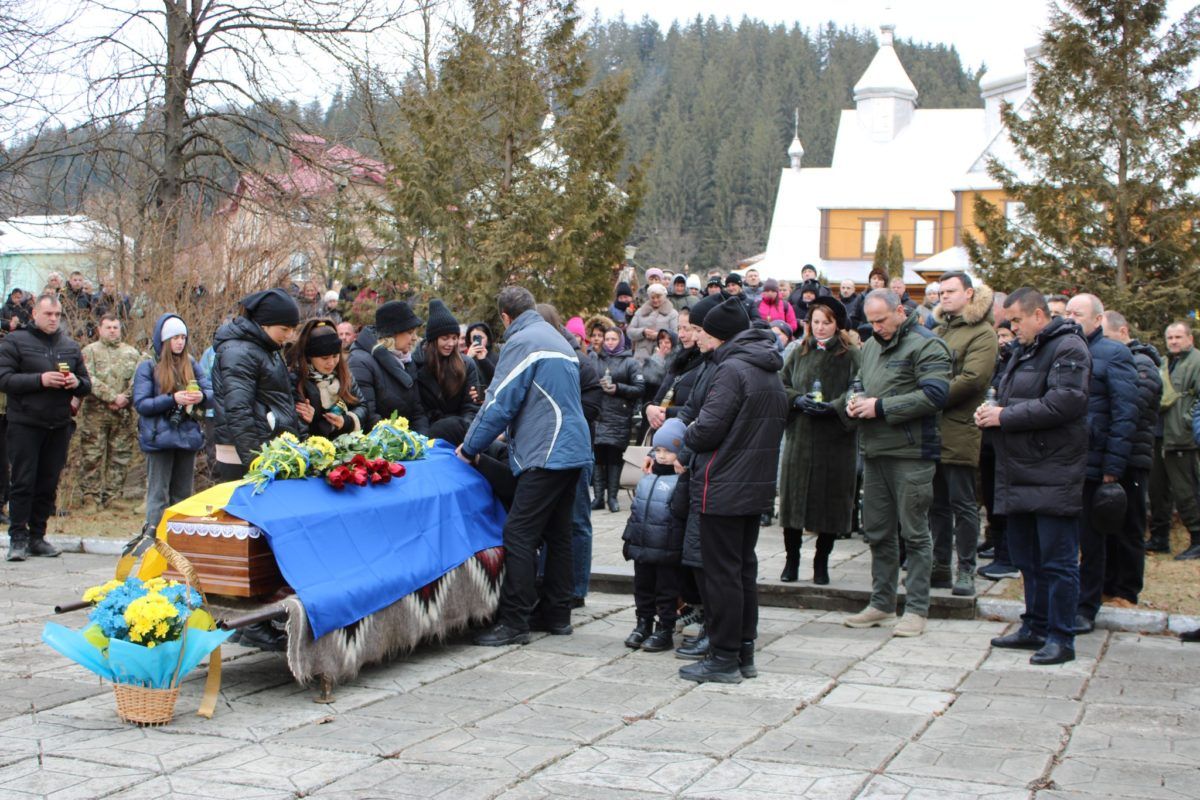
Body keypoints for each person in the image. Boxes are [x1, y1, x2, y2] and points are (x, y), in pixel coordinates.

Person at [458, 286, 592, 646]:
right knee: (558, 534)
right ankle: (557, 615)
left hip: (546, 451)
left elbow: (500, 402)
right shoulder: (557, 339)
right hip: (573, 448)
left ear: (505, 317)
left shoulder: (522, 342)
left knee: (519, 534)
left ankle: (514, 621)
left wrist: (471, 447)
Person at [977, 288, 1090, 665]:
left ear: (1038, 315)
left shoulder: (1068, 348)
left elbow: (1066, 402)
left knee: (1057, 561)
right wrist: (992, 411)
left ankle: (1062, 637)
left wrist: (1005, 416)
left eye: (1016, 320)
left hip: (1053, 471)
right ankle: (1035, 626)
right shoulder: (1024, 351)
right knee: (1027, 557)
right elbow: (1011, 397)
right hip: (1020, 470)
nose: (1012, 327)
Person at [678, 296, 787, 683]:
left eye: (705, 332)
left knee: (721, 573)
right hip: (752, 485)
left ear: (721, 335)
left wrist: (683, 434)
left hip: (723, 484)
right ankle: (743, 651)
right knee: (742, 571)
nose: (700, 338)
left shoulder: (732, 369)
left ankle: (723, 656)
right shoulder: (767, 366)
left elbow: (708, 428)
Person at [844, 289, 952, 638]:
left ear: (900, 311)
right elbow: (860, 381)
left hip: (911, 453)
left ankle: (917, 608)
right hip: (875, 452)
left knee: (915, 533)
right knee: (878, 531)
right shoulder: (872, 344)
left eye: (882, 320)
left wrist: (881, 407)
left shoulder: (928, 345)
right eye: (871, 321)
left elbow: (935, 395)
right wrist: (854, 399)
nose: (876, 327)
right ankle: (882, 603)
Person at [1063, 294, 1138, 633]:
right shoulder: (1064, 350)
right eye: (1066, 313)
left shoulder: (1114, 353)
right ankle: (1064, 600)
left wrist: (1113, 466)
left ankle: (1086, 606)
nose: (1069, 318)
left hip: (1096, 461)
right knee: (1064, 539)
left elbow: (1125, 413)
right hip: (1064, 460)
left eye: (1076, 313)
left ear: (1097, 319)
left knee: (1091, 541)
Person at [0, 294, 91, 561]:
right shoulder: (15, 341)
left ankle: (38, 536)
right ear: (35, 314)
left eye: (57, 315)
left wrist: (76, 382)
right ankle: (18, 537)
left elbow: (87, 384)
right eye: (48, 314)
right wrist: (40, 379)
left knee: (48, 483)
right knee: (23, 482)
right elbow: (4, 379)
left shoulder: (69, 346)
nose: (53, 319)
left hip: (59, 424)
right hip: (25, 424)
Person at [779, 296, 860, 585]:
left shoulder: (850, 354)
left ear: (837, 325)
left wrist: (836, 406)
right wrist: (797, 399)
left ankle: (821, 561)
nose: (821, 328)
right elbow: (782, 383)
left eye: (827, 322)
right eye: (816, 322)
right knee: (793, 500)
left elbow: (859, 387)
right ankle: (792, 559)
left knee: (830, 500)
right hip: (800, 435)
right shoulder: (799, 351)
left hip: (834, 440)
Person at [929, 273, 998, 598]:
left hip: (960, 428)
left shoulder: (982, 333)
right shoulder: (939, 330)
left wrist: (929, 394)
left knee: (963, 504)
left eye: (951, 291)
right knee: (936, 504)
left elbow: (973, 379)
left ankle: (966, 570)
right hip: (932, 429)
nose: (944, 296)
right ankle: (940, 566)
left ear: (969, 293)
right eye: (941, 292)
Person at [536, 303, 603, 609]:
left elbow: (591, 408)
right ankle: (548, 582)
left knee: (576, 520)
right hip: (543, 448)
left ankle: (576, 587)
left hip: (575, 448)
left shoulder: (582, 364)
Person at [1101, 310, 1162, 607]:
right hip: (1112, 455)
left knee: (1130, 528)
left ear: (1123, 332)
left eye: (1108, 338)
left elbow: (1130, 406)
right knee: (1108, 527)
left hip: (1133, 458)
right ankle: (1108, 585)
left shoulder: (1143, 363)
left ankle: (1127, 590)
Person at [211, 288, 301, 480]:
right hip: (244, 454)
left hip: (266, 447)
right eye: (284, 329)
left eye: (293, 329)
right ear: (263, 324)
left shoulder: (269, 348)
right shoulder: (239, 352)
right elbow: (238, 410)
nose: (290, 335)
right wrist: (256, 462)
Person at [134, 314, 212, 533]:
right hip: (159, 438)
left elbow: (211, 392)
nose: (180, 342)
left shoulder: (192, 364)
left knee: (183, 493)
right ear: (164, 340)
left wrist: (201, 397)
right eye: (175, 337)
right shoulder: (148, 367)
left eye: (183, 337)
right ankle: (154, 539)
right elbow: (141, 404)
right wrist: (172, 399)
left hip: (187, 436)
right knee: (158, 494)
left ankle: (180, 540)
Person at [622, 418, 688, 652]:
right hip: (643, 546)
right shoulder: (646, 478)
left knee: (666, 591)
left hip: (667, 549)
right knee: (643, 588)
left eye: (668, 451)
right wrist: (629, 539)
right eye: (658, 450)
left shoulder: (681, 480)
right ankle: (643, 623)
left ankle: (665, 628)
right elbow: (636, 511)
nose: (661, 456)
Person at [78, 315, 143, 509]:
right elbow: (88, 378)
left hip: (122, 414)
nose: (113, 330)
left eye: (116, 327)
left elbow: (138, 379)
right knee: (92, 455)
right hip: (96, 413)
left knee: (120, 455)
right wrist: (112, 397)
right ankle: (90, 496)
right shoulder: (89, 351)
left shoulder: (132, 353)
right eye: (108, 327)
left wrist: (125, 397)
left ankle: (113, 495)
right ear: (99, 329)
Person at [1149, 321, 1200, 559]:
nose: (1174, 342)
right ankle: (1159, 538)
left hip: (1183, 438)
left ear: (1190, 338)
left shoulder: (1196, 362)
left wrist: (1189, 422)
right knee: (1158, 490)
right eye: (1170, 338)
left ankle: (1197, 538)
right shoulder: (1165, 362)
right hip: (1160, 435)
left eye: (1179, 337)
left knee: (1186, 490)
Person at [348, 300, 430, 433]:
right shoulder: (361, 362)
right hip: (380, 445)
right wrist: (402, 442)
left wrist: (422, 442)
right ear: (392, 333)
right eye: (410, 332)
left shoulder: (406, 359)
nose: (415, 338)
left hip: (407, 440)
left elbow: (418, 412)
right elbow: (369, 417)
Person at [590, 326, 644, 512]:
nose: (609, 342)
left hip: (619, 415)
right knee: (598, 457)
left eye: (613, 339)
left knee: (614, 457)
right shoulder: (596, 359)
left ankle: (612, 497)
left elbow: (639, 388)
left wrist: (618, 388)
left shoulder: (630, 362)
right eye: (607, 339)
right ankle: (598, 497)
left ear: (620, 340)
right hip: (599, 415)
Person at [288, 319, 369, 439]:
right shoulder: (296, 380)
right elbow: (298, 430)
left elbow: (362, 406)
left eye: (335, 356)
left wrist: (346, 421)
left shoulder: (345, 374)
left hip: (346, 445)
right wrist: (312, 420)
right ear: (309, 357)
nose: (331, 363)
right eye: (324, 358)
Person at [414, 300, 479, 445]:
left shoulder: (466, 364)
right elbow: (417, 411)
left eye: (454, 338)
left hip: (460, 434)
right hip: (429, 435)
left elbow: (471, 407)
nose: (451, 343)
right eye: (445, 338)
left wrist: (463, 433)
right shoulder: (415, 365)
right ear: (433, 339)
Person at [626, 283, 679, 363]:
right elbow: (630, 331)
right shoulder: (640, 312)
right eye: (652, 297)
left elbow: (675, 335)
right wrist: (643, 332)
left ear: (664, 296)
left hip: (663, 357)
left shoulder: (672, 314)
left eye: (658, 297)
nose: (655, 300)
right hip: (640, 358)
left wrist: (659, 336)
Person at [464, 322, 498, 388]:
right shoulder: (465, 357)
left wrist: (483, 360)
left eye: (481, 338)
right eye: (474, 338)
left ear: (487, 339)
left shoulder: (495, 357)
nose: (478, 341)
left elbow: (497, 378)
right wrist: (468, 358)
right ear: (470, 340)